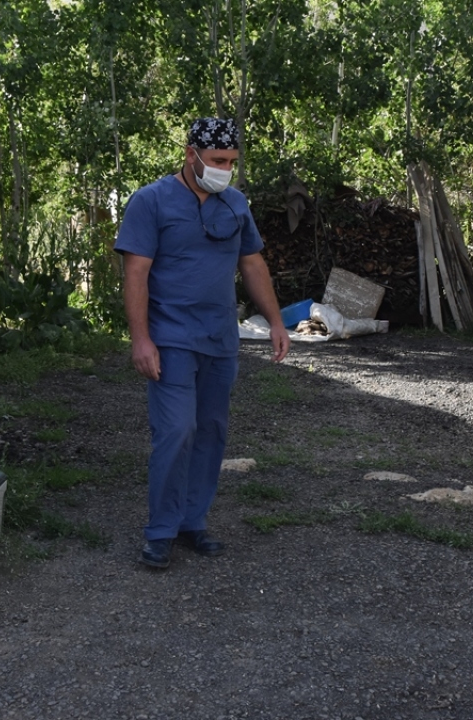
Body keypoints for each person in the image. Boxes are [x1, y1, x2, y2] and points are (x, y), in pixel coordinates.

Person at [115, 117, 290, 569]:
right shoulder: (151, 201)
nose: (224, 169)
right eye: (217, 160)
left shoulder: (235, 203)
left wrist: (276, 321)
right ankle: (160, 531)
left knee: (211, 429)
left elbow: (252, 264)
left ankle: (192, 521)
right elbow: (135, 274)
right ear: (191, 154)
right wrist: (141, 340)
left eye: (231, 162)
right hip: (171, 337)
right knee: (176, 429)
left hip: (219, 337)